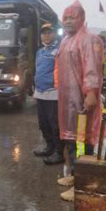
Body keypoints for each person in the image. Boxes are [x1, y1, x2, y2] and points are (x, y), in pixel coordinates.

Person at [56, 1, 104, 201]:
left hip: (82, 102)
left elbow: (92, 68)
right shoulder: (66, 40)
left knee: (83, 143)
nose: (67, 21)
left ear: (81, 19)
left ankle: (83, 185)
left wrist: (91, 92)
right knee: (71, 140)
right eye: (65, 17)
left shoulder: (88, 39)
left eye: (71, 17)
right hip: (67, 103)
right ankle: (75, 176)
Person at [33, 22, 63, 165]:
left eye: (49, 32)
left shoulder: (59, 50)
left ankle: (59, 152)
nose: (46, 35)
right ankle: (49, 147)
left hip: (53, 93)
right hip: (40, 93)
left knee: (54, 124)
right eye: (44, 33)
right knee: (43, 123)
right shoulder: (40, 52)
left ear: (54, 33)